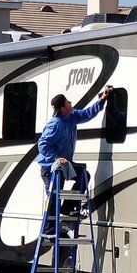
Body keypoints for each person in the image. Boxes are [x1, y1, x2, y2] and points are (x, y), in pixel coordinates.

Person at [37, 87, 112, 234]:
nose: (71, 102)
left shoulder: (71, 116)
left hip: (64, 165)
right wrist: (57, 159)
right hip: (50, 168)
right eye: (67, 101)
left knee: (84, 176)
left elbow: (87, 114)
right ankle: (48, 229)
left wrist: (102, 100)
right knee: (54, 197)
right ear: (62, 108)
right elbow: (43, 144)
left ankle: (68, 207)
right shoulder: (55, 124)